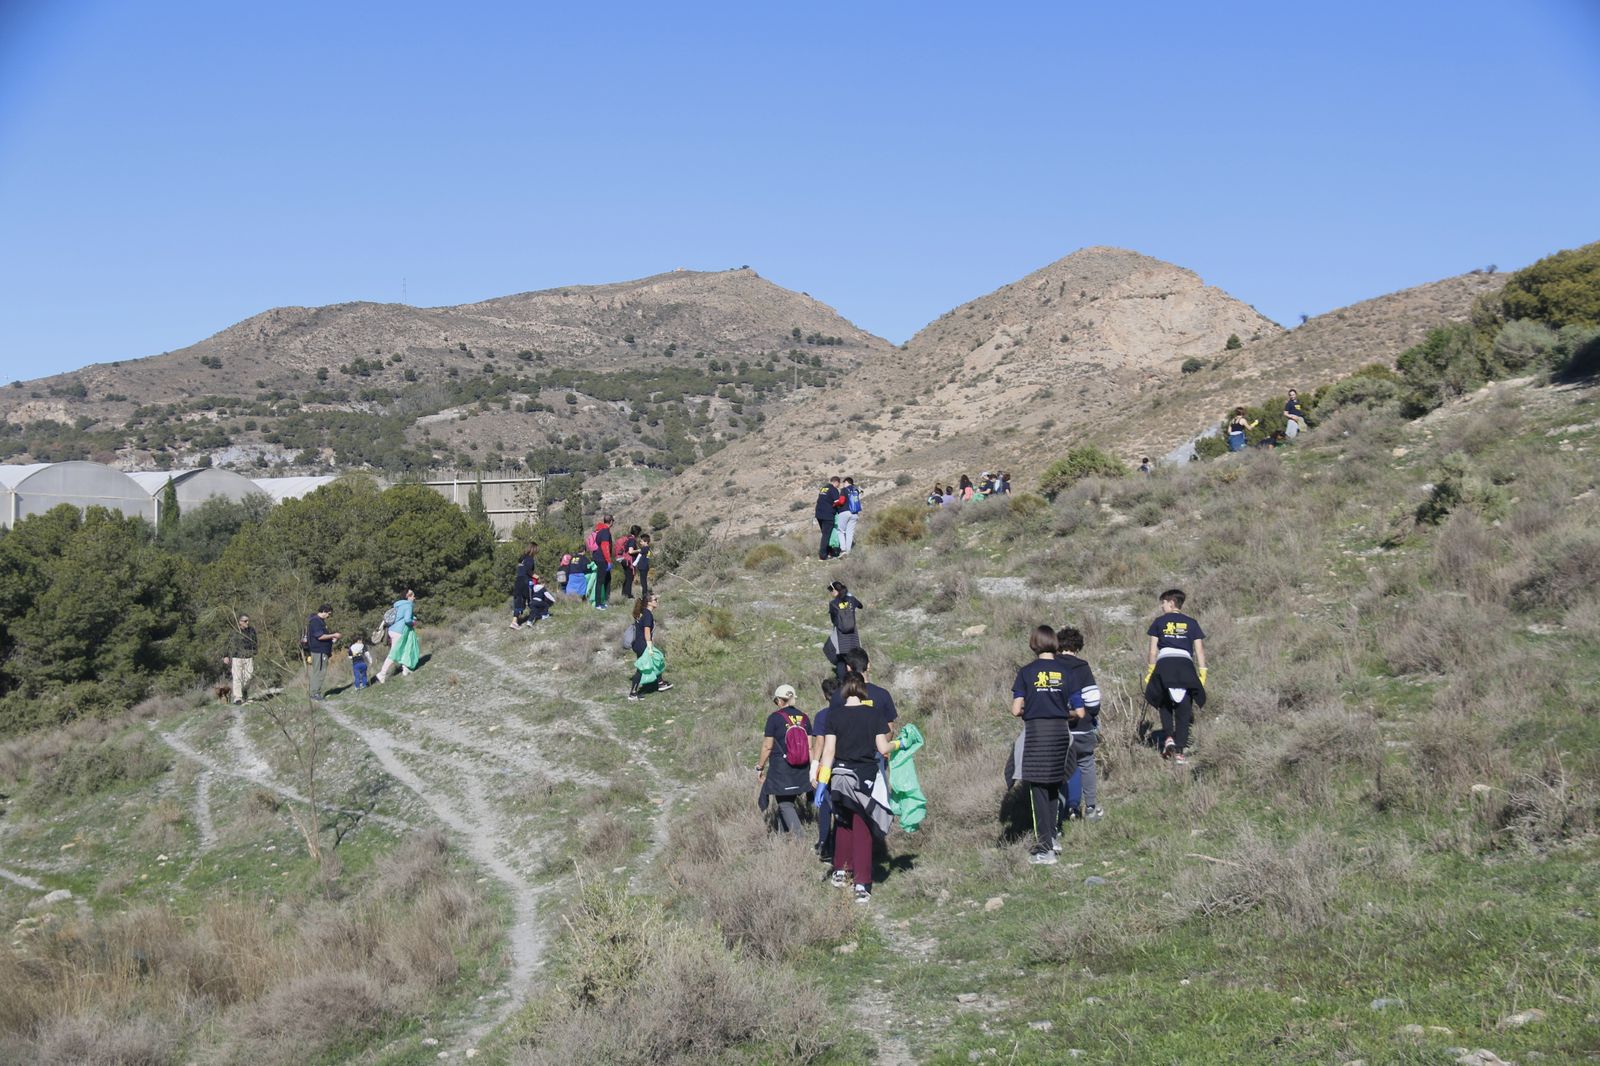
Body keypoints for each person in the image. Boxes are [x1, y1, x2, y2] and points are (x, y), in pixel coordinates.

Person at [813, 674, 892, 903]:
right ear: (863, 689)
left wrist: (822, 783)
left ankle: (841, 870)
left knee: (843, 822)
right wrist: (901, 743)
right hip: (864, 778)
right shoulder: (874, 714)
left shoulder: (833, 715)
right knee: (863, 829)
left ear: (844, 690)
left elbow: (828, 752)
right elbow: (883, 748)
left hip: (839, 778)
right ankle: (861, 884)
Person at [1010, 625, 1072, 864]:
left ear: (1034, 643)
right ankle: (1053, 837)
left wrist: (1032, 707)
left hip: (1037, 733)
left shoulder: (1026, 672)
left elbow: (1016, 709)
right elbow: (1077, 708)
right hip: (1061, 732)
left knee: (1037, 789)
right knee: (1054, 785)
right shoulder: (1066, 671)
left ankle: (1045, 850)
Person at [1144, 588, 1207, 764]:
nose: (1162, 606)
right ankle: (1179, 752)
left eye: (1163, 603)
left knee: (1163, 702)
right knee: (1184, 708)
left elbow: (1152, 651)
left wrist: (1151, 670)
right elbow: (1199, 651)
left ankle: (1168, 738)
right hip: (1185, 666)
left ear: (1171, 603)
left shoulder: (1158, 622)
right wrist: (1202, 673)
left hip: (1164, 664)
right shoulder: (1192, 623)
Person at [1058, 626, 1104, 823]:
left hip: (1058, 728)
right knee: (1085, 763)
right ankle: (1091, 807)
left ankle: (1070, 808)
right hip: (1082, 727)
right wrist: (1091, 716)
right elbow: (1093, 701)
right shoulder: (1082, 667)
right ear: (1077, 647)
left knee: (1065, 768)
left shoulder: (1051, 666)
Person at [757, 684, 812, 835]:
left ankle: (799, 839)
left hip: (782, 768)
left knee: (784, 804)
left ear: (780, 701)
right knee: (787, 800)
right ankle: (782, 838)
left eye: (776, 701)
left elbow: (767, 746)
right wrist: (812, 770)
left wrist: (760, 767)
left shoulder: (774, 718)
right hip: (802, 767)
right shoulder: (804, 717)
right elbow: (810, 747)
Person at [809, 676, 841, 861]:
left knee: (825, 805)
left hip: (827, 764)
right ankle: (839, 844)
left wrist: (814, 766)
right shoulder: (849, 712)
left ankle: (823, 843)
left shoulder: (822, 715)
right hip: (846, 765)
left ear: (825, 695)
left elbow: (819, 743)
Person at [627, 594, 672, 700]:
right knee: (642, 667)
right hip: (643, 644)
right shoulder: (647, 614)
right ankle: (633, 693)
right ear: (649, 603)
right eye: (655, 599)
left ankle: (660, 683)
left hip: (638, 644)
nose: (657, 601)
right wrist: (650, 647)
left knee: (656, 660)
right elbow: (647, 631)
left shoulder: (643, 612)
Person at [375, 589, 419, 684]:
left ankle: (405, 669)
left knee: (404, 649)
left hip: (392, 630)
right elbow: (407, 620)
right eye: (412, 595)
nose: (414, 597)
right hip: (399, 631)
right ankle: (382, 674)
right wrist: (413, 622)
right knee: (394, 653)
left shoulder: (398, 605)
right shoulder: (408, 605)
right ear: (408, 596)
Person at [825, 581, 864, 681]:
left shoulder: (833, 604)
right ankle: (857, 682)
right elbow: (860, 606)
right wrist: (850, 596)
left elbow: (833, 620)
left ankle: (842, 682)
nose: (831, 593)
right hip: (853, 637)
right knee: (854, 660)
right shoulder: (851, 600)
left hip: (841, 638)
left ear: (835, 591)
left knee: (841, 661)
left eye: (831, 591)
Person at [223, 614, 257, 706]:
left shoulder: (251, 630)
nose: (247, 623)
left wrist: (255, 651)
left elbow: (255, 641)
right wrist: (226, 656)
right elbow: (227, 643)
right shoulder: (234, 631)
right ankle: (238, 697)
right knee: (237, 678)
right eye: (245, 621)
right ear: (240, 622)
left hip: (249, 657)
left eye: (248, 621)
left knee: (248, 677)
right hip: (237, 657)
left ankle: (244, 692)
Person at [815, 477, 845, 560]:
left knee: (825, 534)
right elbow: (837, 503)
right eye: (839, 484)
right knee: (827, 535)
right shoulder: (833, 489)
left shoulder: (823, 489)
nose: (839, 485)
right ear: (836, 482)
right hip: (828, 515)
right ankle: (823, 555)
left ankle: (829, 552)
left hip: (819, 515)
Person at [511, 542, 537, 629]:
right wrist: (537, 577)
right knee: (531, 601)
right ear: (534, 550)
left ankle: (514, 622)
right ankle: (531, 620)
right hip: (526, 581)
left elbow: (521, 569)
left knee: (518, 601)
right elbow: (528, 571)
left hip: (518, 581)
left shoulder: (522, 558)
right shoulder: (530, 559)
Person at [592, 516, 615, 610]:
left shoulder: (600, 530)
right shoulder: (605, 532)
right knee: (600, 581)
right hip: (602, 559)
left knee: (607, 579)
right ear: (611, 521)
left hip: (599, 557)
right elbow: (605, 547)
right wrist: (608, 561)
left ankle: (605, 601)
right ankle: (598, 604)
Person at [838, 477, 863, 555]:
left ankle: (843, 550)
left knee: (840, 531)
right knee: (850, 533)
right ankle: (848, 552)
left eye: (844, 482)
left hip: (844, 512)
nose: (843, 484)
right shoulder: (856, 490)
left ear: (847, 482)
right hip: (854, 514)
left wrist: (835, 504)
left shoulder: (844, 490)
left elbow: (841, 501)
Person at [619, 524, 642, 599]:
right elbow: (630, 551)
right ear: (637, 532)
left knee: (627, 577)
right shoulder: (632, 540)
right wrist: (639, 550)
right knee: (629, 578)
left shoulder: (628, 538)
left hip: (625, 560)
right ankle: (628, 595)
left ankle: (624, 594)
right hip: (629, 561)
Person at [634, 533, 652, 600]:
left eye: (641, 541)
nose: (640, 543)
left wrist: (634, 564)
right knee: (644, 581)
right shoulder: (648, 549)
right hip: (645, 567)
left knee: (643, 582)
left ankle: (645, 595)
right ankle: (645, 594)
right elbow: (648, 557)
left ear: (646, 542)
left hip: (642, 567)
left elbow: (639, 556)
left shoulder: (644, 549)